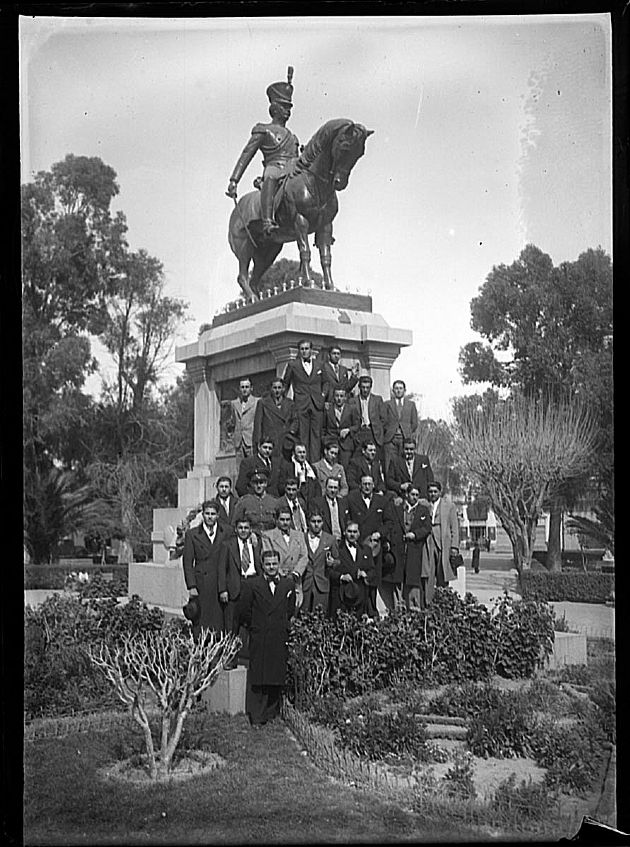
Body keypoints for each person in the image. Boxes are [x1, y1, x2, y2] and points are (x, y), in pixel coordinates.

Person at [226, 67, 299, 238]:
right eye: (283, 106)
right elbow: (246, 155)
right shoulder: (263, 130)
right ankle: (267, 220)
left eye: (289, 107)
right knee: (271, 175)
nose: (288, 111)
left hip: (292, 170)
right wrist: (234, 180)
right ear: (274, 108)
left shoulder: (293, 137)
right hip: (274, 167)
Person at [237, 548, 296, 726]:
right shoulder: (253, 585)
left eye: (274, 564)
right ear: (262, 565)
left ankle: (272, 712)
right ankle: (257, 715)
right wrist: (255, 626)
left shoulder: (287, 585)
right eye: (268, 564)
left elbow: (290, 609)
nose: (271, 567)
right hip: (260, 634)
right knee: (259, 674)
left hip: (278, 635)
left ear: (279, 565)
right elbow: (245, 611)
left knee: (275, 673)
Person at [345, 474, 394, 617]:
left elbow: (389, 522)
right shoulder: (351, 499)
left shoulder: (382, 501)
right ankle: (358, 611)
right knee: (358, 579)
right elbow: (346, 519)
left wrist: (380, 533)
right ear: (360, 485)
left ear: (374, 485)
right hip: (358, 546)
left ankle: (372, 611)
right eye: (364, 484)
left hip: (374, 548)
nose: (367, 487)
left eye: (369, 484)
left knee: (372, 579)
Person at [182, 500, 231, 636]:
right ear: (202, 515)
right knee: (201, 620)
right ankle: (201, 650)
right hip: (201, 583)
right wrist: (191, 585)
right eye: (207, 513)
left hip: (219, 583)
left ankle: (218, 649)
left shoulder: (226, 532)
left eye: (213, 514)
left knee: (218, 620)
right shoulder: (192, 534)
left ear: (218, 515)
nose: (210, 517)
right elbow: (187, 562)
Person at [218, 517, 262, 666]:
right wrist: (222, 589)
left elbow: (260, 565)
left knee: (254, 624)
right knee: (232, 625)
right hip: (235, 587)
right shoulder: (228, 545)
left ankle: (255, 660)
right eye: (241, 528)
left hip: (252, 584)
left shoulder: (256, 544)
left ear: (251, 530)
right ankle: (231, 659)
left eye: (246, 528)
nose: (243, 530)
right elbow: (222, 569)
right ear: (236, 529)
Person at [282, 338, 326, 464]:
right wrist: (284, 402)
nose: (304, 351)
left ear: (311, 350)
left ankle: (315, 466)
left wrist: (322, 396)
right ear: (299, 351)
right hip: (301, 405)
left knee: (316, 437)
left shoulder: (320, 365)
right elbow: (286, 383)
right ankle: (304, 466)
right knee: (303, 437)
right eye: (302, 349)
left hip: (316, 405)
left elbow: (326, 382)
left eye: (307, 349)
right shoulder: (293, 365)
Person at [388, 486, 432, 610]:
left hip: (414, 548)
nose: (415, 497)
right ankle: (398, 608)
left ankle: (414, 607)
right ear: (407, 494)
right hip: (399, 547)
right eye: (412, 494)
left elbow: (427, 528)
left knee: (413, 578)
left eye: (417, 495)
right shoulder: (397, 508)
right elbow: (391, 524)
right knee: (398, 578)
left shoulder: (423, 510)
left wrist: (415, 534)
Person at [421, 480, 460, 607]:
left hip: (443, 541)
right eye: (430, 492)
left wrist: (454, 546)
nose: (432, 494)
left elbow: (454, 527)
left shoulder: (449, 506)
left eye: (435, 492)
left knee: (442, 572)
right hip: (428, 540)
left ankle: (443, 602)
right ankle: (428, 602)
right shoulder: (423, 504)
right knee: (428, 572)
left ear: (440, 492)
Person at [261, 505, 308, 610]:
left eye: (288, 519)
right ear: (276, 520)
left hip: (295, 580)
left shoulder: (299, 535)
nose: (285, 522)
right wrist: (281, 572)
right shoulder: (268, 536)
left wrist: (295, 573)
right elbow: (268, 556)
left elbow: (304, 556)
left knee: (294, 609)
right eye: (282, 519)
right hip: (277, 579)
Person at [328, 521, 374, 618]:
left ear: (359, 533)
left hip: (360, 598)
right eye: (349, 531)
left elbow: (372, 571)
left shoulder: (366, 549)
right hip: (342, 596)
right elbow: (329, 571)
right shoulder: (337, 548)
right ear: (344, 532)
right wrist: (341, 576)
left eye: (355, 532)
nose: (352, 534)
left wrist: (365, 574)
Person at [302, 510, 340, 614]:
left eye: (319, 521)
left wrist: (333, 563)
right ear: (308, 522)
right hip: (305, 582)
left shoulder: (330, 539)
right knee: (303, 615)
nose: (316, 524)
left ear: (323, 522)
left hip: (322, 583)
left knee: (320, 616)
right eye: (313, 521)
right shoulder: (301, 538)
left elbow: (338, 561)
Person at [252, 377, 298, 459]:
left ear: (283, 389)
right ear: (271, 389)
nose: (277, 391)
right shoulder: (263, 403)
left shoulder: (290, 403)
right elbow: (258, 425)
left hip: (286, 442)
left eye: (279, 388)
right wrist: (257, 444)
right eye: (275, 388)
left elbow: (295, 420)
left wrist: (291, 432)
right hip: (270, 443)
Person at [382, 380, 419, 473]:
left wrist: (407, 432)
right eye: (396, 388)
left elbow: (414, 423)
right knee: (388, 464)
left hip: (405, 439)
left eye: (401, 388)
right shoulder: (387, 404)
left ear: (404, 390)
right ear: (393, 390)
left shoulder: (411, 405)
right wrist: (389, 432)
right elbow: (383, 421)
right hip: (391, 439)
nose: (398, 391)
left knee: (404, 464)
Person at [232, 469, 279, 535]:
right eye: (255, 483)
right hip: (251, 537)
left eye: (261, 482)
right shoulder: (244, 502)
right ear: (251, 484)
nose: (259, 486)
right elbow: (235, 524)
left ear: (266, 484)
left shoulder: (274, 502)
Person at [322, 387, 360, 469]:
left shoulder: (351, 409)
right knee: (331, 469)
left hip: (346, 444)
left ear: (345, 397)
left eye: (341, 396)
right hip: (331, 443)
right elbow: (323, 427)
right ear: (333, 396)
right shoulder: (328, 409)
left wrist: (348, 430)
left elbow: (357, 425)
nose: (339, 398)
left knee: (345, 469)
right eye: (337, 396)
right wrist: (325, 440)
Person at [349, 375, 385, 459]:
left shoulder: (377, 400)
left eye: (367, 387)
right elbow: (350, 419)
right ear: (359, 387)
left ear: (370, 387)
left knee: (374, 459)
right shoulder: (352, 401)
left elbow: (383, 419)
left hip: (373, 433)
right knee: (358, 459)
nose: (365, 390)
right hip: (359, 433)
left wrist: (379, 431)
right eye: (363, 387)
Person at [226, 378, 259, 459]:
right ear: (239, 389)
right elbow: (233, 421)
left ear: (251, 388)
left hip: (251, 441)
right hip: (238, 442)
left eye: (247, 387)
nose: (244, 389)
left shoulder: (257, 402)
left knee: (252, 467)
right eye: (242, 387)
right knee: (240, 469)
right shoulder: (234, 404)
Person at [311, 477, 348, 542]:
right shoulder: (317, 503)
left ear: (338, 489)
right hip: (325, 540)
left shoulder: (343, 503)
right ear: (325, 488)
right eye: (330, 487)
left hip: (341, 540)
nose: (333, 490)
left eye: (335, 488)